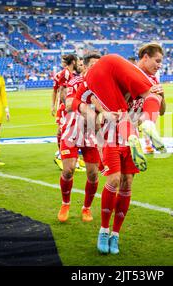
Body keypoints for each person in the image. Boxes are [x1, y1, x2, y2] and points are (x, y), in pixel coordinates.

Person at [74, 54, 156, 255]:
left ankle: (116, 234)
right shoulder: (94, 85)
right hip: (110, 137)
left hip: (132, 138)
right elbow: (76, 103)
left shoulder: (145, 85)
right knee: (114, 180)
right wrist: (98, 120)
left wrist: (157, 99)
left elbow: (159, 108)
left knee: (128, 182)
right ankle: (103, 230)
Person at [57, 53, 102, 223]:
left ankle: (86, 208)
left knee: (93, 174)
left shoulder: (102, 86)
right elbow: (68, 105)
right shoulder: (75, 82)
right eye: (93, 65)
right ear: (84, 65)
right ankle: (65, 204)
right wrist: (86, 110)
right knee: (68, 170)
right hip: (71, 130)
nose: (97, 69)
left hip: (90, 134)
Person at [135, 43, 166, 154]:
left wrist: (162, 95)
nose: (159, 66)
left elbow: (162, 112)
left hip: (134, 127)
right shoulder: (129, 73)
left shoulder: (153, 80)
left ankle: (148, 124)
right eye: (157, 61)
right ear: (146, 57)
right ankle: (147, 124)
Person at [52, 54, 78, 170]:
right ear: (73, 62)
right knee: (64, 131)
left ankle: (68, 156)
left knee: (66, 131)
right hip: (65, 107)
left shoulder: (71, 74)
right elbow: (62, 91)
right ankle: (61, 155)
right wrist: (67, 106)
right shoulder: (66, 73)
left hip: (67, 106)